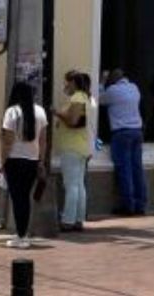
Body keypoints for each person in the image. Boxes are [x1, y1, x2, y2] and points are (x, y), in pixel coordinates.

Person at [0, 82, 49, 248]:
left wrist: (1, 162)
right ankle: (23, 233)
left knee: (17, 198)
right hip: (32, 161)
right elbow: (43, 140)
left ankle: (21, 235)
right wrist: (41, 160)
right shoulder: (40, 111)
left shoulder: (12, 112)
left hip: (14, 160)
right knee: (24, 198)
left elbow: (7, 141)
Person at [99, 69, 147, 216]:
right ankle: (141, 204)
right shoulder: (134, 88)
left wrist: (101, 82)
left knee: (124, 169)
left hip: (121, 133)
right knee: (137, 169)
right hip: (137, 131)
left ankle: (128, 206)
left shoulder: (112, 90)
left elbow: (98, 99)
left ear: (112, 80)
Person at [55, 70, 93, 231]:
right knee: (78, 184)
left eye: (66, 82)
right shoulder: (86, 98)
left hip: (72, 147)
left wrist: (56, 112)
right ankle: (78, 219)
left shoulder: (77, 97)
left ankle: (68, 220)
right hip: (81, 146)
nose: (64, 86)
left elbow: (73, 120)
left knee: (71, 185)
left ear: (73, 83)